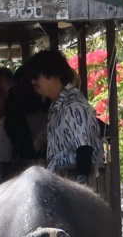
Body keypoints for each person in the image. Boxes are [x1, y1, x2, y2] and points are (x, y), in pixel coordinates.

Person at [25, 49, 104, 184]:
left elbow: (84, 149)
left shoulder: (73, 106)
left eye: (36, 76)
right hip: (60, 183)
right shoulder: (56, 106)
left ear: (52, 74)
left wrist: (81, 186)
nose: (33, 82)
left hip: (74, 189)